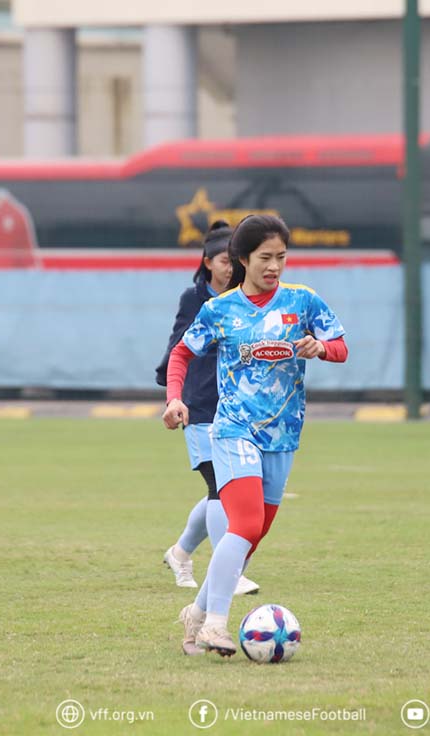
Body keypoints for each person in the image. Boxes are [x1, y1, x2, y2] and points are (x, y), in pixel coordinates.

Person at [162, 214, 348, 656]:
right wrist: (174, 399)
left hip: (283, 435)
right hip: (232, 430)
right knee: (243, 524)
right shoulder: (220, 309)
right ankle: (215, 626)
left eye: (281, 256)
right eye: (265, 257)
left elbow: (341, 347)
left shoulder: (303, 301)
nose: (274, 266)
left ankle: (196, 613)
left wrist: (321, 347)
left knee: (252, 535)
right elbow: (181, 354)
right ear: (243, 259)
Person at [155, 220, 258, 597]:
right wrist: (173, 394)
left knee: (226, 486)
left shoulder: (243, 299)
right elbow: (178, 346)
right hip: (198, 403)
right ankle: (229, 571)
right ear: (208, 262)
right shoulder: (194, 299)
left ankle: (180, 552)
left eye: (234, 261)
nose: (230, 268)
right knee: (218, 487)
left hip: (236, 406)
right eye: (224, 261)